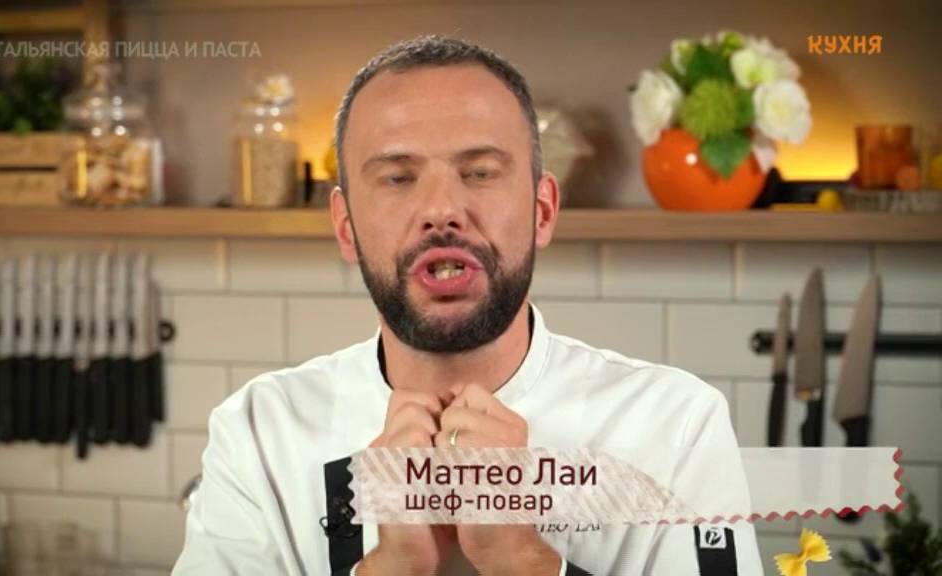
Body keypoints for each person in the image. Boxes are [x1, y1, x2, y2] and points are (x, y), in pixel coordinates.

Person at [174, 34, 762, 575]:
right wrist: (391, 568)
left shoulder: (675, 425)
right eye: (398, 178)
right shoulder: (259, 433)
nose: (442, 210)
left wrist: (521, 559)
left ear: (543, 211)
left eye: (479, 172)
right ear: (346, 227)